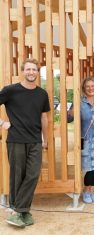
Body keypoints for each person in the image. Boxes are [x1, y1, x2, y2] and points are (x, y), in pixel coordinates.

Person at [0, 58, 50, 228]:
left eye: (34, 69)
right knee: (17, 176)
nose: (31, 72)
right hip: (16, 140)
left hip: (35, 140)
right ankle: (21, 210)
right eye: (28, 69)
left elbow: (44, 117)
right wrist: (2, 123)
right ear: (23, 71)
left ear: (38, 72)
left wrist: (46, 139)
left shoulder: (42, 94)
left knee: (33, 175)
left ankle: (18, 210)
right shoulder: (10, 91)